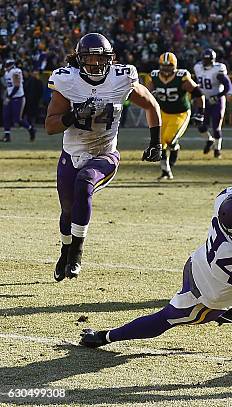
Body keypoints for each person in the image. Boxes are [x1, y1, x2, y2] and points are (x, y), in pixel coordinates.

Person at [79, 177, 232, 348]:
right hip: (205, 300)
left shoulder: (224, 207)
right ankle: (106, 337)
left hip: (197, 264)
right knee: (164, 319)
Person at [45, 33, 163, 282]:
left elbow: (151, 104)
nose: (96, 64)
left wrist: (156, 142)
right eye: (90, 58)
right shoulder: (68, 81)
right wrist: (72, 116)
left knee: (85, 183)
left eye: (101, 59)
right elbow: (50, 126)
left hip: (104, 153)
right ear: (79, 59)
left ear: (110, 59)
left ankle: (76, 253)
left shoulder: (121, 79)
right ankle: (66, 251)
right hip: (72, 153)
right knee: (67, 210)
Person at [147, 52, 205, 180]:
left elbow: (199, 93)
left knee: (169, 139)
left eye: (169, 66)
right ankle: (165, 170)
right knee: (159, 143)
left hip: (180, 113)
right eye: (164, 66)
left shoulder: (181, 76)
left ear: (175, 66)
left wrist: (200, 112)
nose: (166, 69)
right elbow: (147, 92)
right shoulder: (155, 76)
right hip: (163, 112)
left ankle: (174, 149)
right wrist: (151, 95)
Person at [193, 49, 231, 158]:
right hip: (204, 100)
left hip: (217, 100)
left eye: (208, 60)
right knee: (200, 124)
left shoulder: (218, 69)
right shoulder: (197, 67)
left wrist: (217, 96)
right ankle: (209, 140)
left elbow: (228, 86)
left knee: (216, 127)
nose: (206, 61)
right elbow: (196, 83)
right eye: (204, 59)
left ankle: (217, 150)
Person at [2, 59, 36, 142]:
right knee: (6, 116)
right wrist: (7, 96)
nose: (5, 68)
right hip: (11, 97)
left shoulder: (16, 71)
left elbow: (16, 86)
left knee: (17, 119)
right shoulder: (7, 73)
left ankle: (31, 129)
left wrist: (8, 97)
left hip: (18, 97)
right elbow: (9, 87)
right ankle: (7, 136)